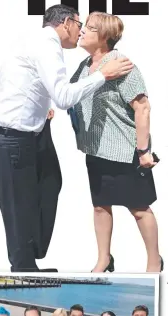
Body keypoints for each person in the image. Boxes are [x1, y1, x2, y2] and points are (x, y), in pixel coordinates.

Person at [0, 4, 133, 272]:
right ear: (66, 23)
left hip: (32, 133)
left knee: (50, 183)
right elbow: (64, 98)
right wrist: (104, 75)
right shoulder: (46, 44)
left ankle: (33, 251)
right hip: (10, 141)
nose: (81, 31)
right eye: (80, 25)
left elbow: (16, 80)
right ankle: (24, 269)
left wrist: (37, 110)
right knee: (19, 210)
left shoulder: (39, 41)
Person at [70, 11, 163, 272]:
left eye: (90, 28)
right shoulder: (85, 65)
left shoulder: (122, 64)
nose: (82, 31)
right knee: (100, 207)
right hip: (96, 150)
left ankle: (154, 262)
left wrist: (144, 151)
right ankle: (104, 259)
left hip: (126, 150)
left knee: (139, 209)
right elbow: (71, 94)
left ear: (105, 36)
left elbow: (142, 108)